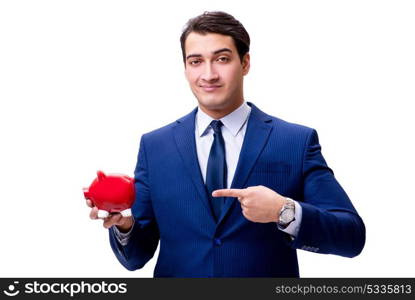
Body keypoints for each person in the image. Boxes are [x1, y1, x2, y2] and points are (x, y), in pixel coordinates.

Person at [86, 11, 365, 277]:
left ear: (245, 63)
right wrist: (124, 225)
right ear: (185, 68)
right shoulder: (155, 146)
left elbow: (351, 236)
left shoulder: (295, 141)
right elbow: (136, 256)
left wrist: (283, 210)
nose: (208, 74)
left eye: (221, 59)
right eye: (196, 61)